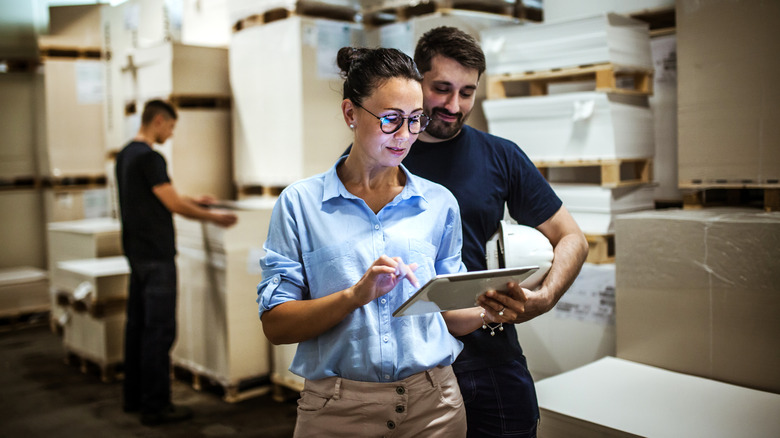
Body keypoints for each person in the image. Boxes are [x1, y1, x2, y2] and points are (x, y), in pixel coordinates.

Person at [257, 47, 512, 438]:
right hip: (336, 412)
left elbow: (447, 314)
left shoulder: (439, 203)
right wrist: (355, 295)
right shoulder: (301, 204)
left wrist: (490, 310)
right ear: (350, 113)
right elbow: (276, 326)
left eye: (415, 119)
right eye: (391, 119)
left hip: (434, 407)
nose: (405, 136)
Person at [404, 27, 590, 437]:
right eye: (442, 89)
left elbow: (572, 238)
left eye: (467, 92)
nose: (454, 105)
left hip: (490, 356)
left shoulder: (500, 155)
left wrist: (545, 297)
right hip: (410, 362)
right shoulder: (382, 156)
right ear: (417, 81)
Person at [115, 99, 238, 426]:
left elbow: (156, 196)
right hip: (157, 256)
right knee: (160, 331)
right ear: (158, 120)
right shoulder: (151, 157)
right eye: (170, 127)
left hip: (136, 254)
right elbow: (172, 204)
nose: (170, 133)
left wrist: (193, 199)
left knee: (137, 327)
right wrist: (214, 217)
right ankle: (156, 406)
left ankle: (133, 398)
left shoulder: (126, 154)